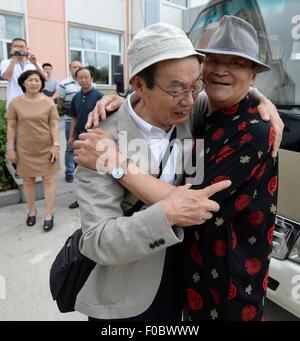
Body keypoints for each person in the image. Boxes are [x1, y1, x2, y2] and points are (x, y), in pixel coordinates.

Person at [75, 16, 279, 321]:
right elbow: (96, 240)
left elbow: (229, 87)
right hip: (131, 292)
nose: (189, 99)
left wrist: (263, 99)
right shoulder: (101, 142)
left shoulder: (190, 111)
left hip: (187, 280)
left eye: (195, 85)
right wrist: (169, 214)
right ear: (139, 84)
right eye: (176, 89)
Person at [6, 70, 60, 232]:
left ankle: (49, 214)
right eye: (30, 80)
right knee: (28, 181)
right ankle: (32, 211)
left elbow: (54, 125)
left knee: (48, 179)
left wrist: (56, 145)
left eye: (37, 80)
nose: (34, 83)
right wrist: (10, 148)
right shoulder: (15, 103)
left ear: (41, 83)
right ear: (23, 83)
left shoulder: (49, 102)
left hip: (47, 147)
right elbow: (11, 127)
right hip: (25, 148)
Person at [67, 67, 104, 209]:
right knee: (79, 170)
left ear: (92, 78)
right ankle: (80, 198)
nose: (83, 80)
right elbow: (74, 118)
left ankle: (96, 198)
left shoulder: (99, 96)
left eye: (86, 77)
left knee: (93, 169)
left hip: (93, 137)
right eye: (80, 77)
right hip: (78, 137)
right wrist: (71, 136)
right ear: (76, 80)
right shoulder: (76, 97)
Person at [0, 38, 47, 109]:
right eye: (16, 46)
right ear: (11, 48)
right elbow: (6, 77)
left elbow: (45, 78)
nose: (19, 49)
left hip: (33, 103)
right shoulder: (5, 62)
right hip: (14, 102)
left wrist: (35, 64)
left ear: (27, 49)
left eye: (22, 47)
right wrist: (14, 59)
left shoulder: (33, 63)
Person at [57, 60, 82, 183]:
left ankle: (81, 172)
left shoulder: (87, 82)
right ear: (70, 68)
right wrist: (71, 107)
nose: (77, 69)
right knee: (70, 146)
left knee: (84, 146)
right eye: (75, 67)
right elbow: (60, 102)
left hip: (85, 120)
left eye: (79, 67)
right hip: (69, 120)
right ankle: (69, 172)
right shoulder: (64, 84)